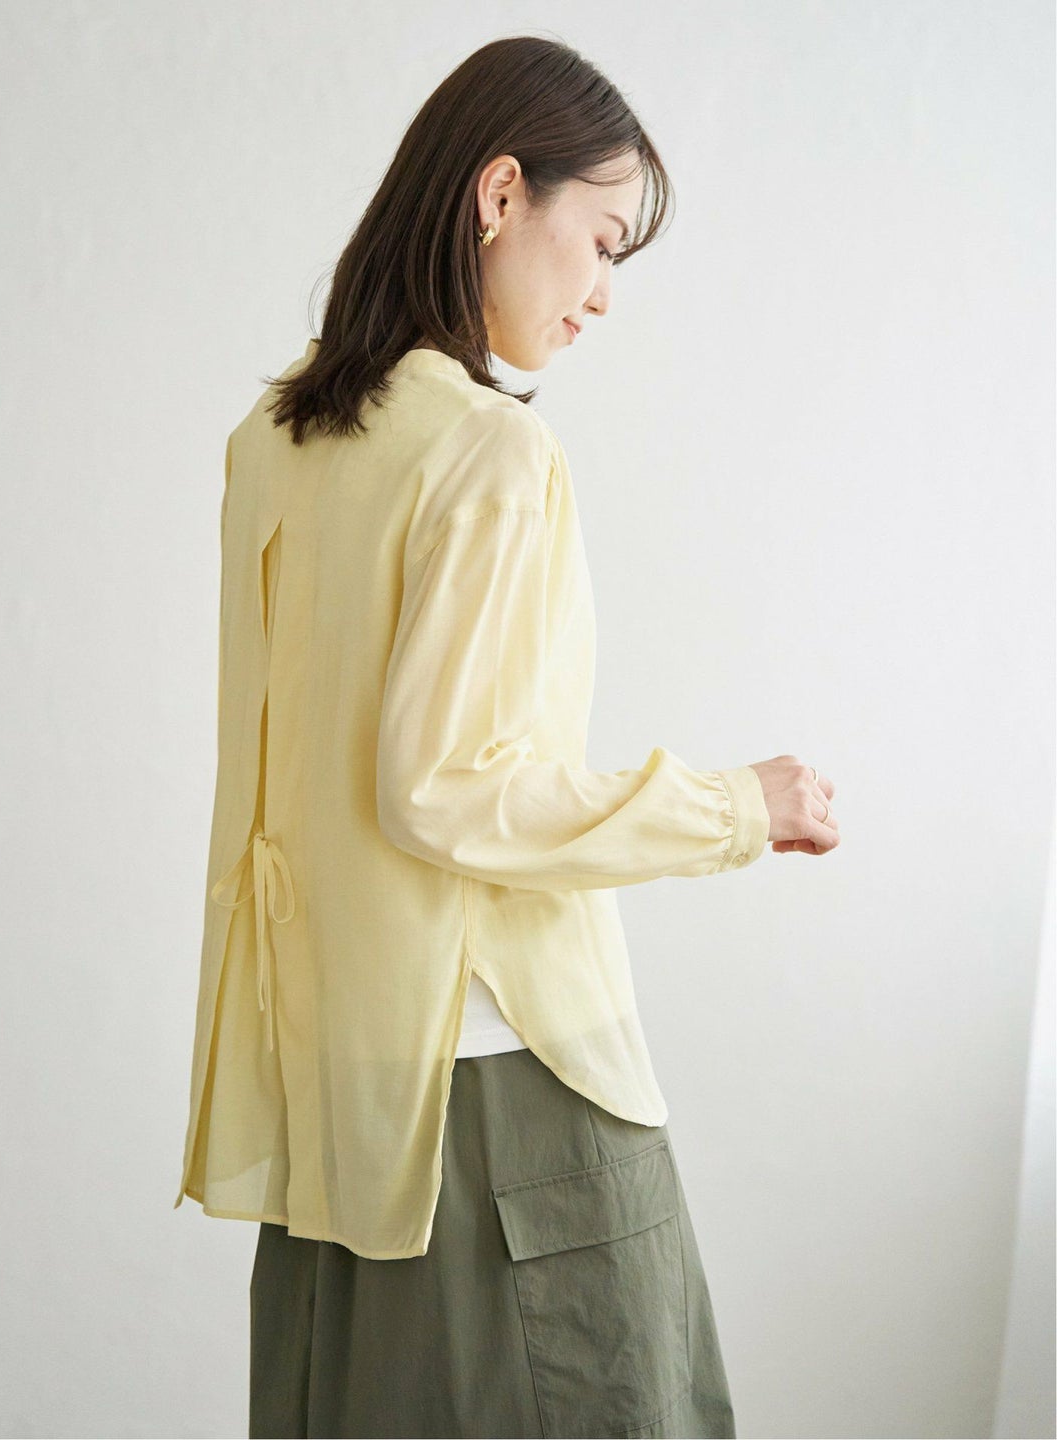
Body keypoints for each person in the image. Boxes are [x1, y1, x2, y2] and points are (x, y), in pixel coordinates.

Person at [174, 33, 840, 1440]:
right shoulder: (490, 449)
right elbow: (445, 791)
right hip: (497, 1100)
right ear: (498, 194)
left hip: (339, 1096)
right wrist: (736, 806)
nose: (603, 294)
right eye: (601, 239)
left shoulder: (273, 443)